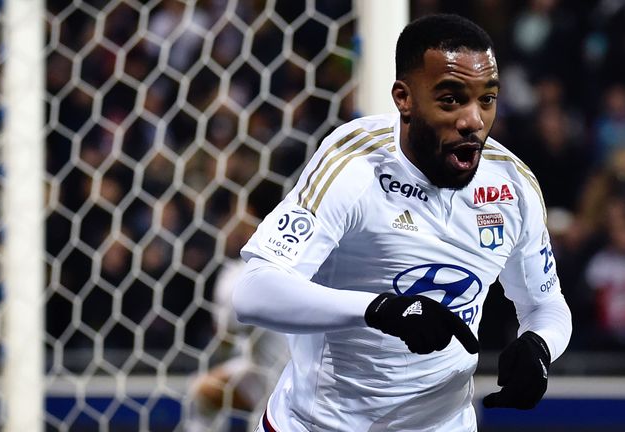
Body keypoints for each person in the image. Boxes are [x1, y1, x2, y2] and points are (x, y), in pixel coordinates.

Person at [232, 14, 572, 431]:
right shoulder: (353, 164)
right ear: (403, 98)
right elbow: (253, 291)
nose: (474, 121)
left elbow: (545, 303)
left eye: (487, 99)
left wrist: (539, 346)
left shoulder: (513, 185)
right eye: (451, 99)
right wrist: (379, 309)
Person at [184, 258, 289, 432]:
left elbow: (226, 334)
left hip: (284, 390)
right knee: (204, 390)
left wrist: (224, 346)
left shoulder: (245, 276)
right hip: (268, 373)